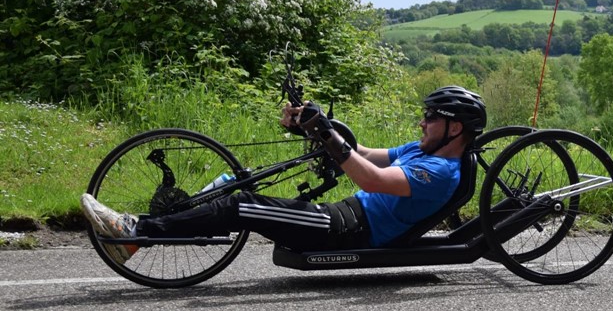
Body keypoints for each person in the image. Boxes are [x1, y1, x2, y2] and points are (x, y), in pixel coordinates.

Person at [80, 86, 487, 264]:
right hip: (339, 213)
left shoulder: (441, 171)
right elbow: (362, 153)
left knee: (242, 206)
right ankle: (150, 227)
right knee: (239, 184)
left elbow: (371, 180)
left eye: (432, 118)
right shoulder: (421, 149)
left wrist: (329, 136)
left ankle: (135, 233)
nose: (422, 123)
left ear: (455, 128)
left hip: (343, 230)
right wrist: (314, 125)